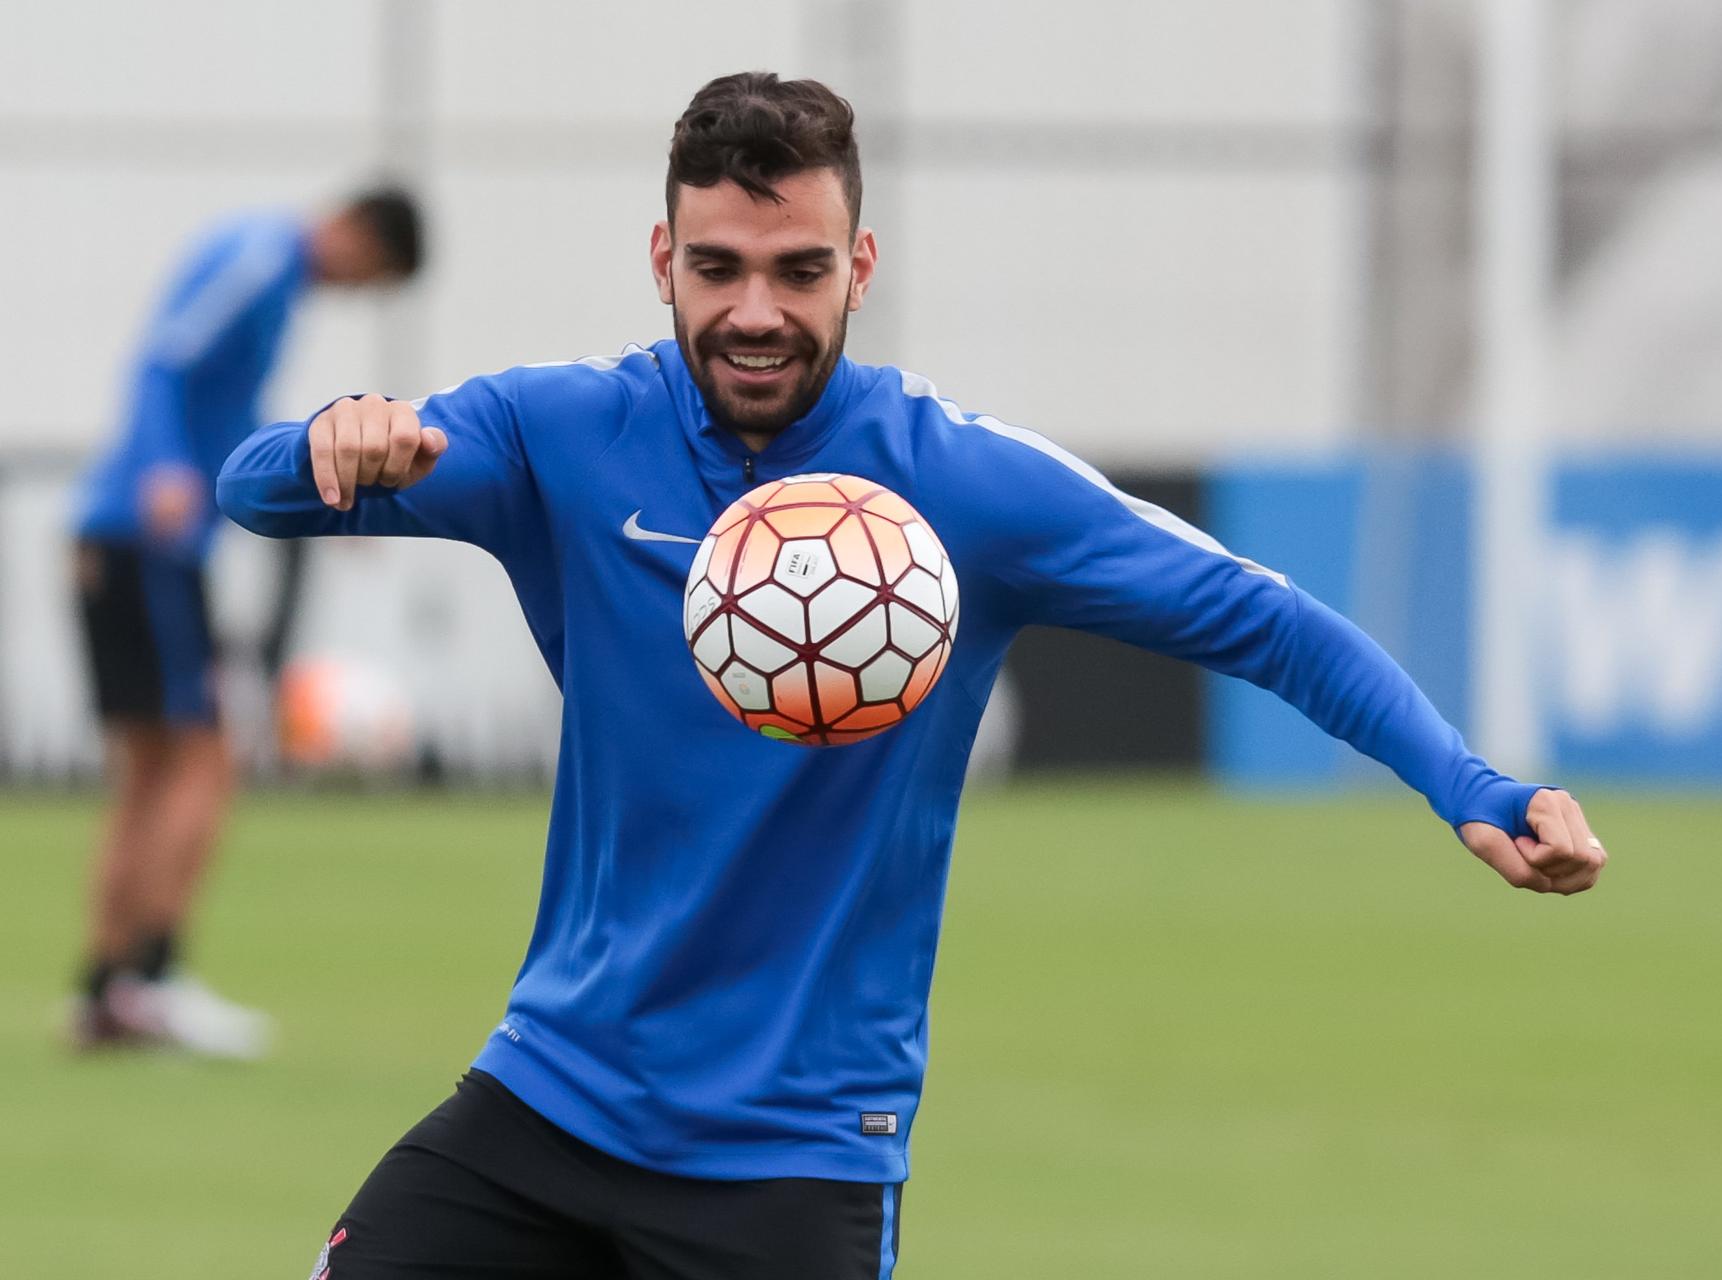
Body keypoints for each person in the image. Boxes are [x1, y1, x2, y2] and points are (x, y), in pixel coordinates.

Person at [218, 74, 1605, 1279]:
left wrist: (1470, 783)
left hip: (797, 1156)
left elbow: (1264, 617)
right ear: (661, 259)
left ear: (861, 266)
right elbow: (253, 488)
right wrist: (332, 443)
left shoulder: (961, 482)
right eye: (718, 268)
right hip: (554, 1099)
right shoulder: (562, 435)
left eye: (799, 271)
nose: (755, 311)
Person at [71, 187, 425, 1058]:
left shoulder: (275, 276)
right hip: (147, 537)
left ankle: (105, 992)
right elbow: (164, 358)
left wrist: (331, 498)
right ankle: (150, 979)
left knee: (151, 769)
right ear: (359, 234)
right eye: (372, 275)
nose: (357, 289)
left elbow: (228, 416)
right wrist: (160, 468)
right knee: (208, 754)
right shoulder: (263, 258)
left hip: (113, 537)